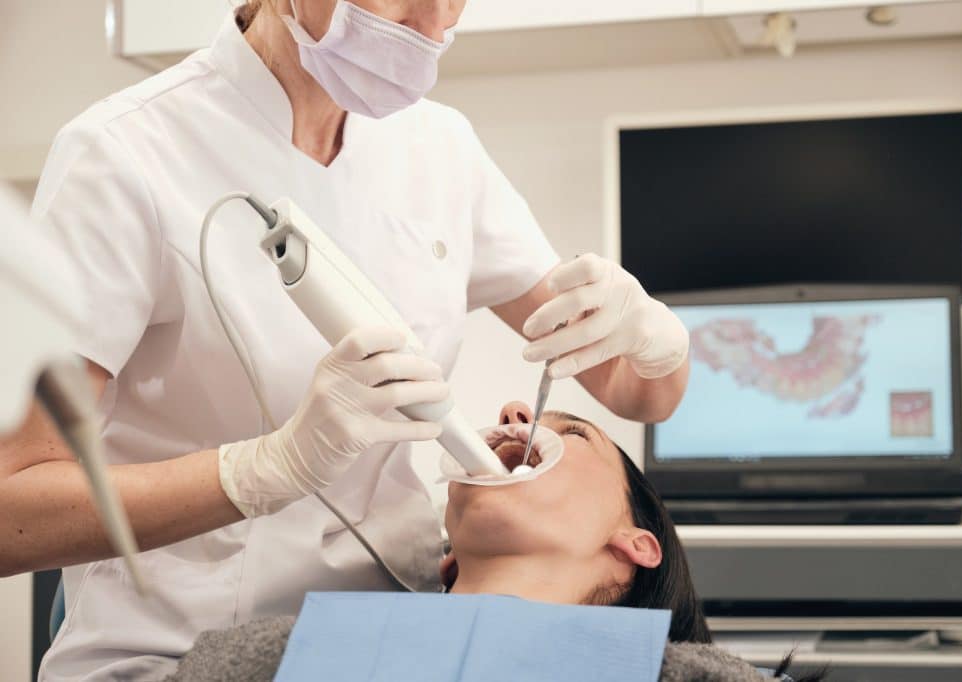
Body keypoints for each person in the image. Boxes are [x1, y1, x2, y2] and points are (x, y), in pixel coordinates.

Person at [0, 1, 692, 679]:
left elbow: (631, 386)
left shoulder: (439, 148)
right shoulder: (125, 154)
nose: (434, 26)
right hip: (177, 649)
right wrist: (261, 470)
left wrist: (659, 341)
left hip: (399, 637)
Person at [165, 404, 826, 681]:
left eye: (574, 431)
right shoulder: (260, 662)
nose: (513, 415)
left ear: (636, 544)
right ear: (447, 556)